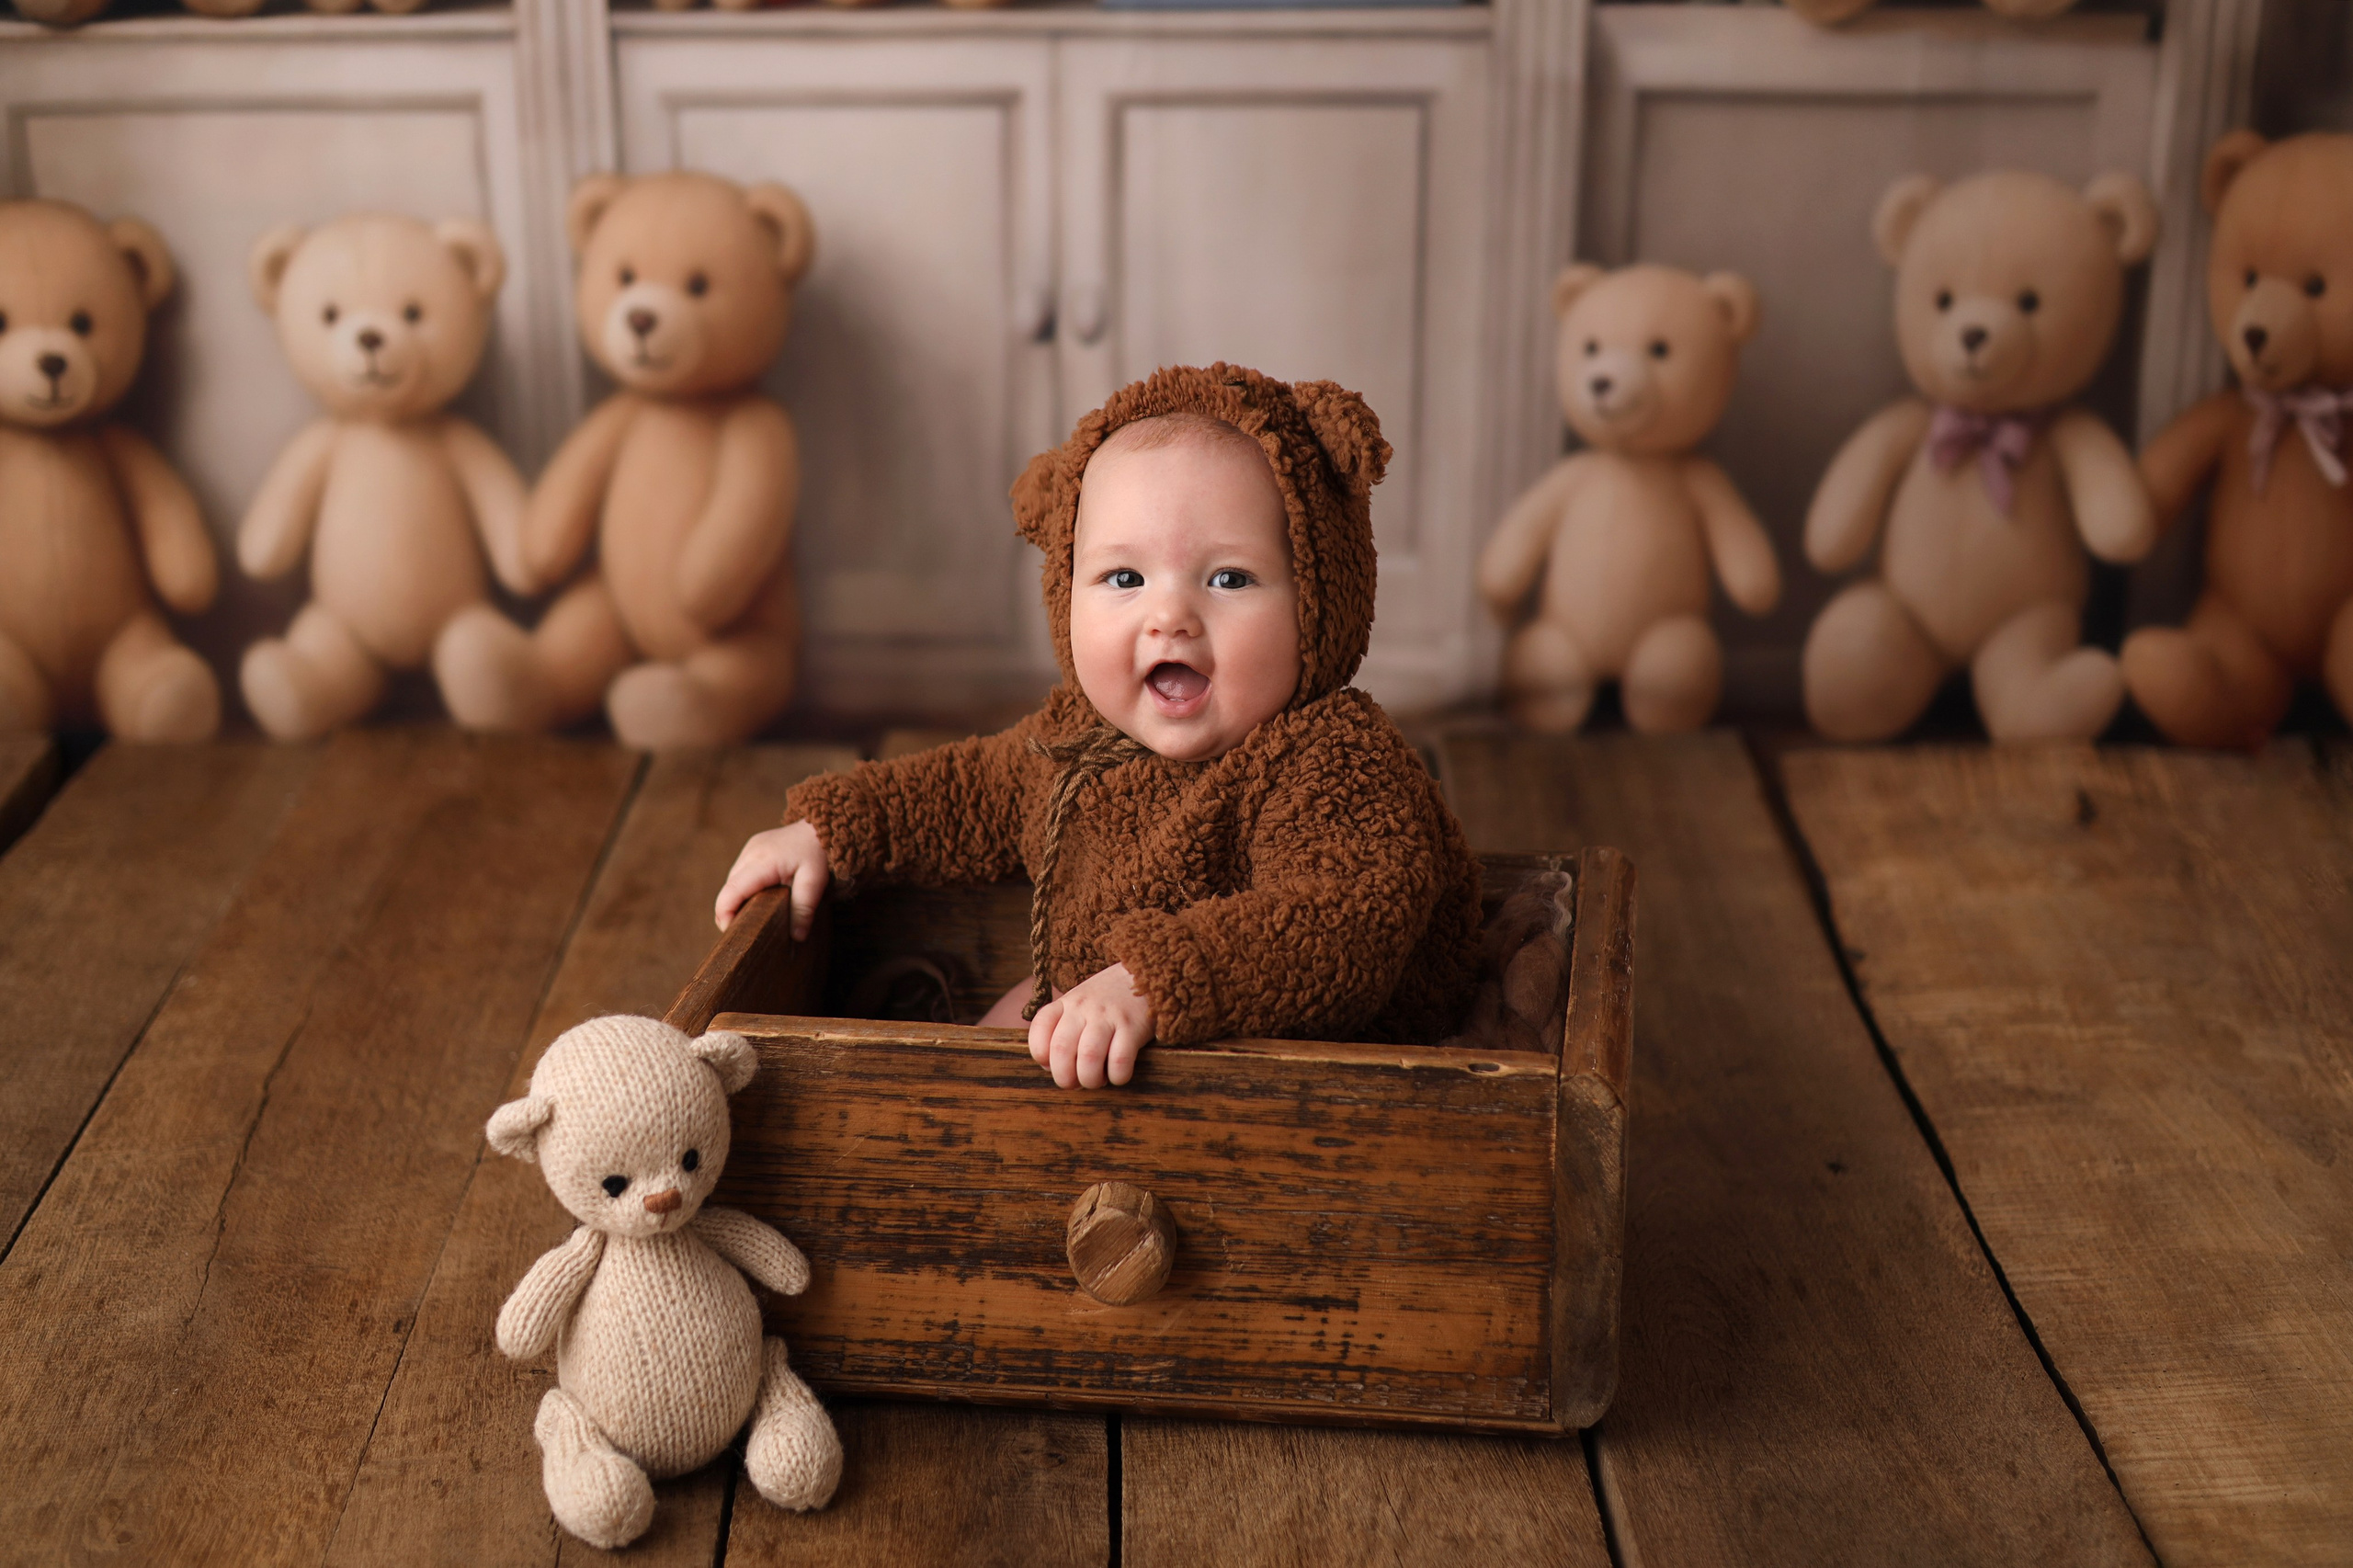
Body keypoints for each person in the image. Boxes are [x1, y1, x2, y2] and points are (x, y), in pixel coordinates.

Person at [715, 363, 1481, 1088]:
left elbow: (1340, 922)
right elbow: (967, 790)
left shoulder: (1331, 757)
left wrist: (1156, 979)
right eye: (1124, 577)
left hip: (1302, 1068)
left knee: (1055, 1037)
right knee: (996, 1042)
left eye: (1229, 578)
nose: (1170, 616)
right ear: (1066, 590)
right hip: (1109, 1003)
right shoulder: (1082, 741)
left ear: (1318, 595)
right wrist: (829, 830)